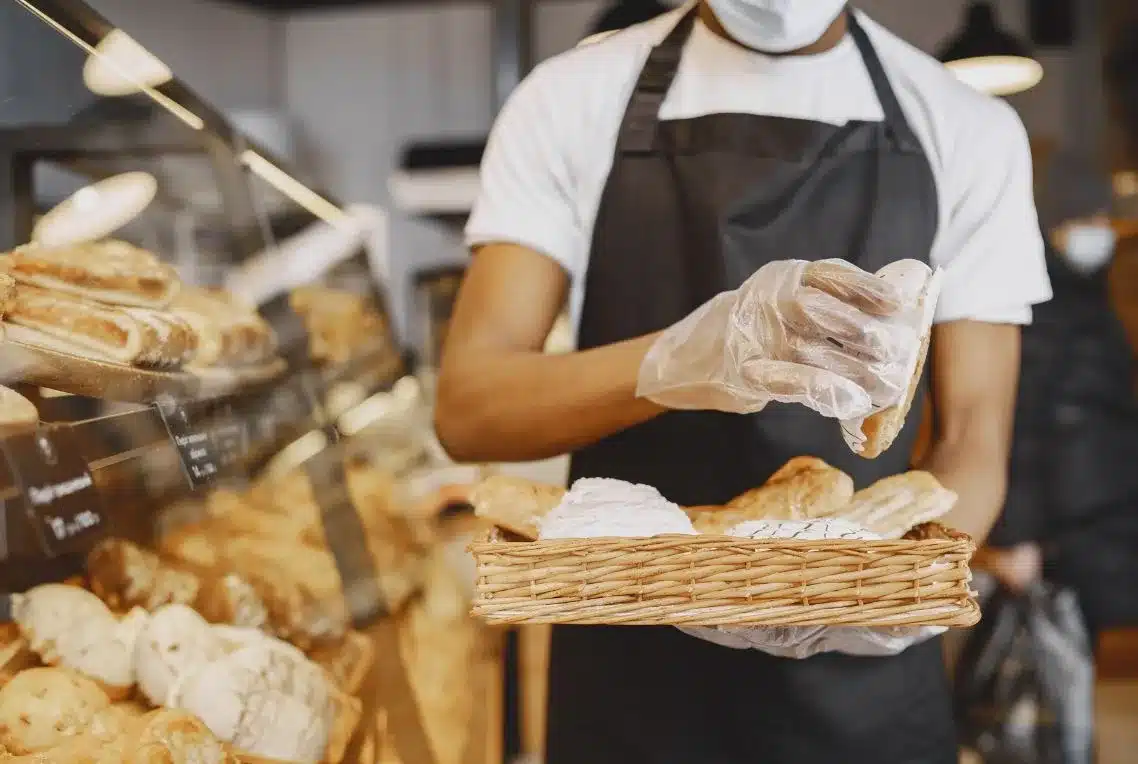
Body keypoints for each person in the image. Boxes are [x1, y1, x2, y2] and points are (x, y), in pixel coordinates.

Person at [436, 2, 1051, 762]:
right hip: (632, 674)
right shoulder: (571, 100)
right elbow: (469, 410)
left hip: (862, 697)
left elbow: (973, 436)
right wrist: (682, 360)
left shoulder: (966, 128)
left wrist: (896, 594)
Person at [983, 155, 1138, 642]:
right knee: (1063, 664)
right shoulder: (1041, 306)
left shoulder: (1085, 294)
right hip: (1066, 534)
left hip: (1099, 519)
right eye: (1085, 219)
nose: (1100, 230)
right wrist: (1015, 535)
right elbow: (1016, 424)